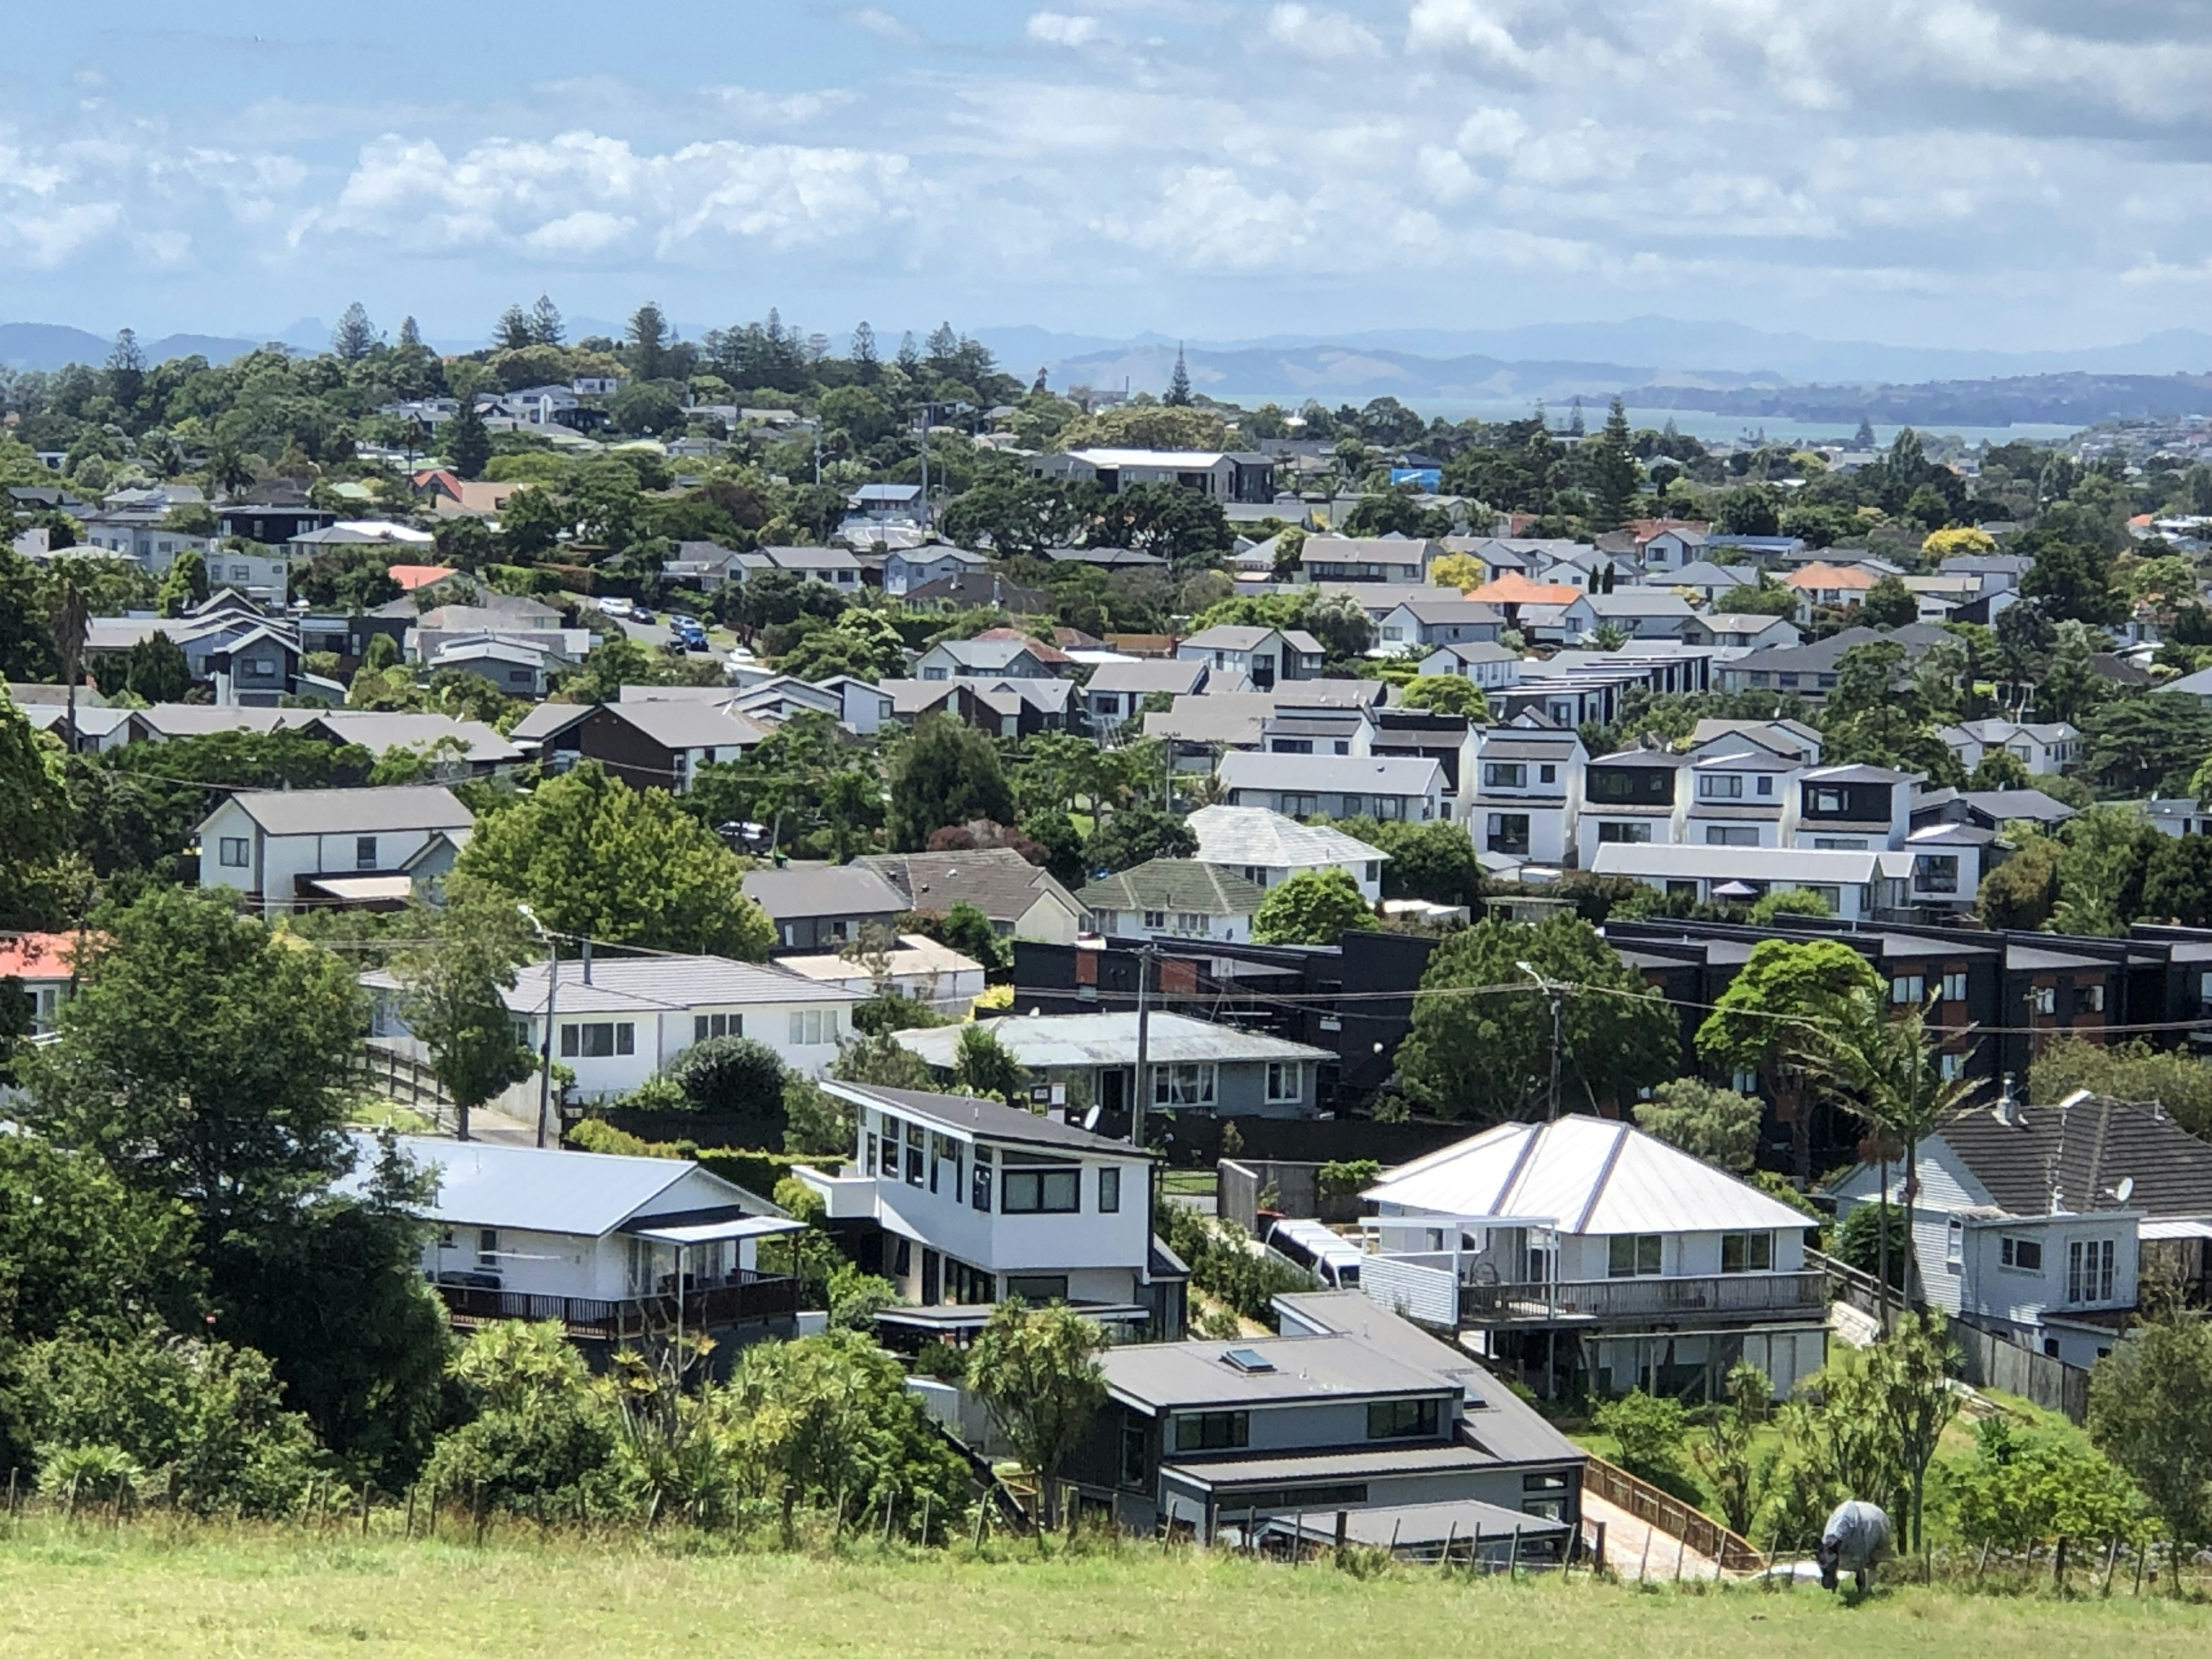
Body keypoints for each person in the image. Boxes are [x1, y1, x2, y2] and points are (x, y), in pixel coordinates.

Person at [1817, 1499, 1892, 1593]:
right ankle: (1834, 1583)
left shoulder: (1854, 1535)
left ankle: (1866, 1588)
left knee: (1870, 1563)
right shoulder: (1829, 1538)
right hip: (1835, 1546)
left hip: (1869, 1528)